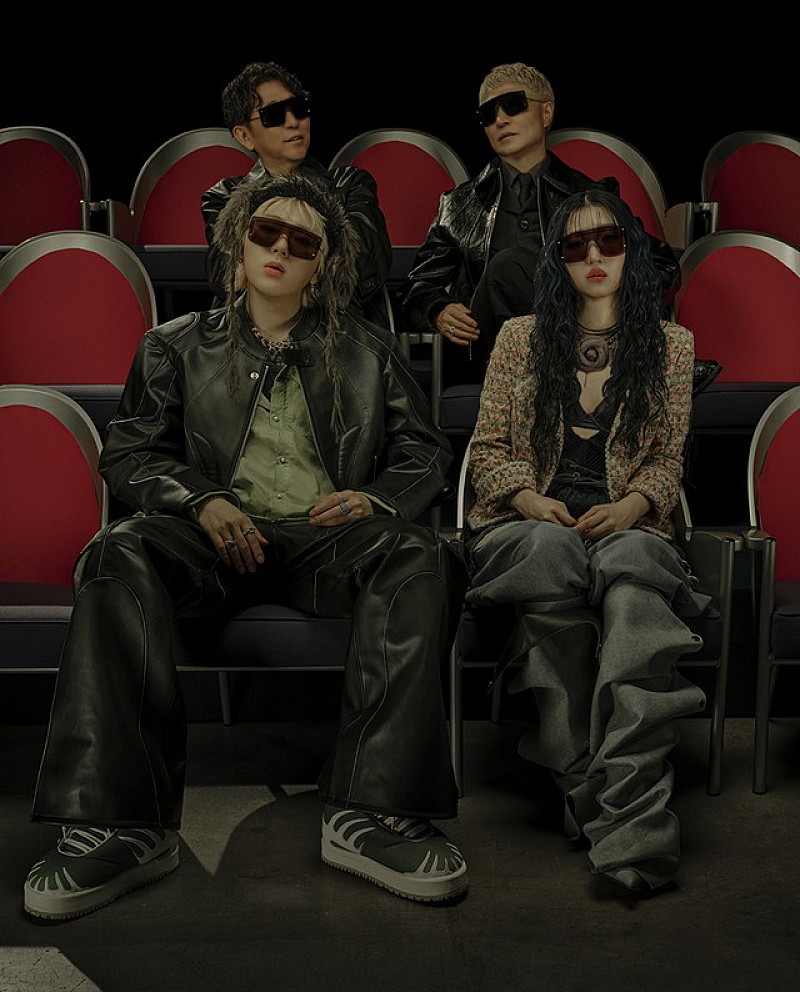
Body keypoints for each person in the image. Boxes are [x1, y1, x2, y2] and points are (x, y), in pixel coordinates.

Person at [23, 174, 469, 921]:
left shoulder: (370, 349)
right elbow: (130, 453)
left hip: (327, 540)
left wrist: (376, 499)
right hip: (212, 538)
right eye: (266, 232)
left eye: (302, 242)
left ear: (321, 266)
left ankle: (373, 812)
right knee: (115, 551)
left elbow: (423, 450)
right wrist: (201, 499)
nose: (279, 248)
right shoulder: (172, 346)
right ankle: (122, 822)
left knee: (422, 554)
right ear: (238, 242)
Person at [463, 188, 709, 898]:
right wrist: (527, 499)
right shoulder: (520, 338)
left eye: (609, 241)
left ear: (631, 250)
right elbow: (487, 449)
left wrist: (634, 504)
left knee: (634, 593)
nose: (594, 255)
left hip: (626, 522)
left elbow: (665, 460)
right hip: (528, 523)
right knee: (550, 557)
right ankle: (604, 803)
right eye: (576, 245)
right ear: (558, 260)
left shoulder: (671, 345)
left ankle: (625, 827)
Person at [401, 62, 679, 381]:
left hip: (578, 333)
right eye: (488, 114)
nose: (500, 120)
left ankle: (569, 368)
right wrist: (438, 310)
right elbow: (417, 287)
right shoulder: (458, 206)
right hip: (487, 357)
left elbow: (662, 266)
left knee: (539, 267)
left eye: (513, 105)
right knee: (508, 268)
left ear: (546, 113)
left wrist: (602, 303)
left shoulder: (590, 196)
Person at [201, 60, 393, 328]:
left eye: (299, 109)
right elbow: (228, 277)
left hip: (336, 333)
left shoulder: (350, 185)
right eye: (275, 115)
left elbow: (362, 270)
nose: (294, 123)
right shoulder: (224, 197)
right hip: (252, 338)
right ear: (245, 136)